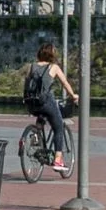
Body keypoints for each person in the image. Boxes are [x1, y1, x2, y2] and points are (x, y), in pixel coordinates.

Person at [22, 39, 78, 173]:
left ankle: (36, 133)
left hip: (31, 102)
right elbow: (65, 82)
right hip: (46, 102)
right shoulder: (53, 67)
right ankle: (58, 159)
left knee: (40, 113)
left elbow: (27, 83)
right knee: (58, 125)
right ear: (51, 55)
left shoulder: (31, 66)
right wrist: (73, 96)